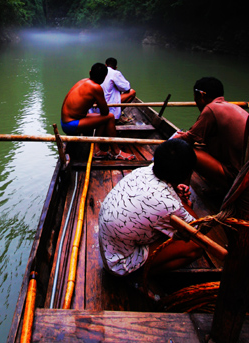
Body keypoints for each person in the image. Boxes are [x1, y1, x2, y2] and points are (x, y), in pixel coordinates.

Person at [99, 139, 202, 276]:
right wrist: (182, 203)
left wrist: (175, 191)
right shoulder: (168, 204)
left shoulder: (143, 171)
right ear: (185, 175)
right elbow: (197, 229)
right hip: (118, 265)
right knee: (196, 247)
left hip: (109, 249)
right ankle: (141, 276)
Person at [173, 77, 248, 191]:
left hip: (238, 178)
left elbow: (187, 139)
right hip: (244, 172)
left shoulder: (211, 108)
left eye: (195, 98)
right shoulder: (232, 107)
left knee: (184, 150)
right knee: (201, 147)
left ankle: (182, 193)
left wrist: (178, 137)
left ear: (201, 96)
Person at [61, 63, 135, 160]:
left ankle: (96, 149)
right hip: (71, 124)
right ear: (104, 77)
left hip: (65, 121)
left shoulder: (83, 81)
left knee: (101, 117)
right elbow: (105, 112)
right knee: (110, 117)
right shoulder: (96, 87)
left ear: (90, 72)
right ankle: (117, 152)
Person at [102, 57, 136, 122]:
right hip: (108, 106)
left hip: (98, 106)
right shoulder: (115, 73)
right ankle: (117, 114)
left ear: (105, 65)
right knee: (132, 92)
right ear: (116, 67)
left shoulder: (99, 71)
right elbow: (127, 88)